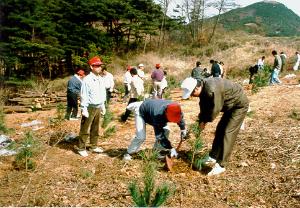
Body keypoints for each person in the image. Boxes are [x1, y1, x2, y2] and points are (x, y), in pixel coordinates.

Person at [181, 77, 249, 176]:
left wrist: (205, 121)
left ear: (196, 88)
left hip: (239, 105)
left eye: (191, 93)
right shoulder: (203, 88)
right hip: (229, 106)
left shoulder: (211, 89)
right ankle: (213, 157)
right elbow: (203, 105)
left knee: (228, 132)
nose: (191, 96)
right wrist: (201, 120)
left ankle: (221, 165)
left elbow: (214, 110)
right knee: (220, 129)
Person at [123, 99, 188, 161]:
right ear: (166, 113)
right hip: (141, 111)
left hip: (152, 110)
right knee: (141, 137)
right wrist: (170, 148)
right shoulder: (157, 114)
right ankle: (128, 153)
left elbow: (180, 120)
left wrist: (183, 130)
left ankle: (156, 152)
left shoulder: (177, 109)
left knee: (166, 131)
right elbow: (159, 135)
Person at [77, 56, 107, 157]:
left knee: (95, 128)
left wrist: (103, 105)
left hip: (98, 106)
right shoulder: (87, 80)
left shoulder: (100, 78)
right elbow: (84, 95)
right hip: (89, 106)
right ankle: (81, 148)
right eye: (96, 66)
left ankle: (94, 145)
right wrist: (83, 108)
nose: (99, 67)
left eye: (100, 65)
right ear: (91, 67)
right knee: (85, 128)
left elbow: (102, 93)